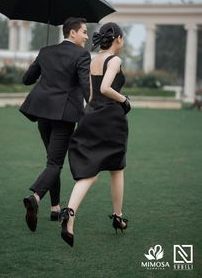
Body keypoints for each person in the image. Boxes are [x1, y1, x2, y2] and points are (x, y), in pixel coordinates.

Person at [59, 22, 131, 247]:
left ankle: (69, 213)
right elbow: (105, 88)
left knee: (89, 172)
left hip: (91, 115)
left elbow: (90, 96)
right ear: (117, 38)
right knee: (116, 168)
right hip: (111, 119)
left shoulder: (93, 60)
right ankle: (118, 217)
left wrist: (89, 114)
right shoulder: (115, 60)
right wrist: (125, 100)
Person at [20, 17, 90, 232]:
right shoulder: (82, 55)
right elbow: (86, 86)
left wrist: (43, 62)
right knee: (55, 164)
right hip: (64, 115)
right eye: (84, 32)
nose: (87, 36)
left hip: (42, 112)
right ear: (72, 33)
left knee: (52, 161)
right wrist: (94, 109)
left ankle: (55, 207)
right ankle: (35, 197)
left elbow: (27, 79)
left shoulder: (45, 51)